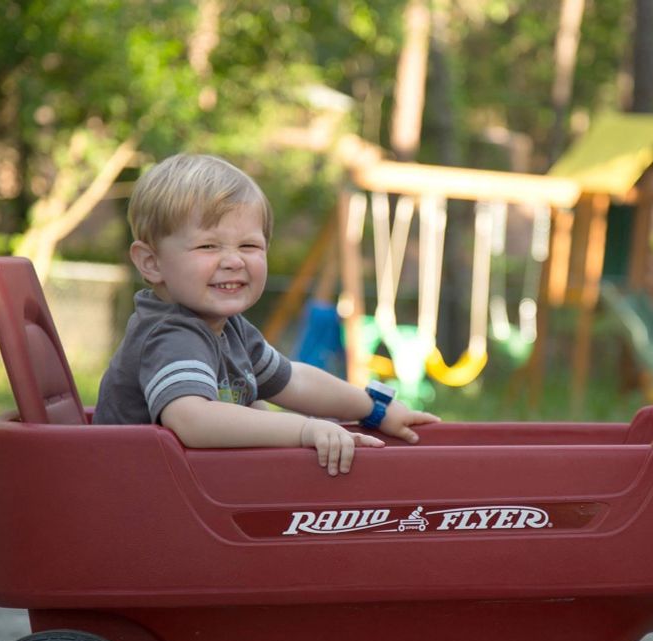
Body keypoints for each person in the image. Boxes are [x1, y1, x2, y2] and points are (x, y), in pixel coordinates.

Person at [94, 153, 439, 475]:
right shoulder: (171, 333)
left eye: (249, 246)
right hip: (137, 499)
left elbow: (295, 380)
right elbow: (192, 419)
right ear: (151, 263)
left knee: (257, 402)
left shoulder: (229, 330)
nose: (233, 260)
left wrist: (373, 408)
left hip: (183, 499)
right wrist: (304, 429)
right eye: (207, 246)